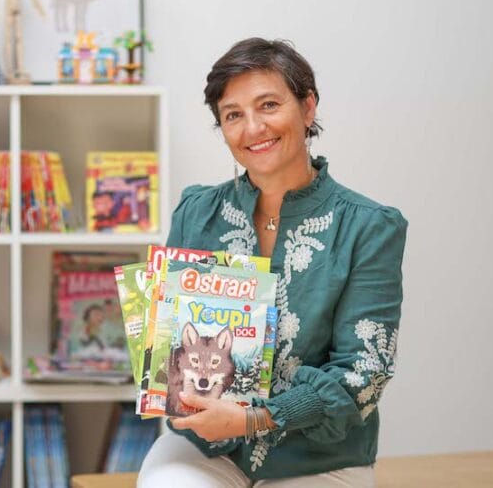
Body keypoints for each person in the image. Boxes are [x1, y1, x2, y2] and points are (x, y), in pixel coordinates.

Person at [137, 38, 408, 487]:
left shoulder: (370, 227)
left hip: (318, 456)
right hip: (206, 447)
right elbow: (169, 353)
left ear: (307, 107)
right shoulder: (195, 212)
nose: (253, 128)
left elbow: (364, 374)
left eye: (268, 105)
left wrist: (254, 418)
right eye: (233, 115)